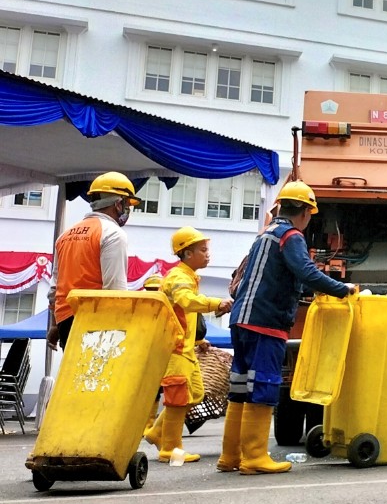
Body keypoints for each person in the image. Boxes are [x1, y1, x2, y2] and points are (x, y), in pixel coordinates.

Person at [219, 181, 355, 474]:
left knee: (241, 388)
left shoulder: (265, 235)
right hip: (266, 322)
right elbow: (305, 272)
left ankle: (230, 456)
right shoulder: (290, 236)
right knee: (265, 385)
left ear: (280, 205)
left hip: (240, 319)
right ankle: (254, 457)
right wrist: (341, 289)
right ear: (306, 212)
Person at [143, 227, 232, 464]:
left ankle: (156, 433)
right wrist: (216, 304)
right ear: (187, 253)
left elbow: (183, 317)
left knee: (193, 395)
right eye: (203, 250)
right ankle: (171, 450)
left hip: (186, 349)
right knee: (178, 398)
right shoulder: (179, 278)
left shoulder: (188, 276)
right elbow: (187, 302)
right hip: (175, 350)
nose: (207, 254)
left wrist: (199, 341)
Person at [45, 172, 141, 350]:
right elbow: (115, 290)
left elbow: (55, 288)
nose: (128, 210)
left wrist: (55, 324)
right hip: (96, 321)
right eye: (128, 204)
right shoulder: (112, 234)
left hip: (66, 320)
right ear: (118, 204)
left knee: (73, 376)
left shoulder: (65, 235)